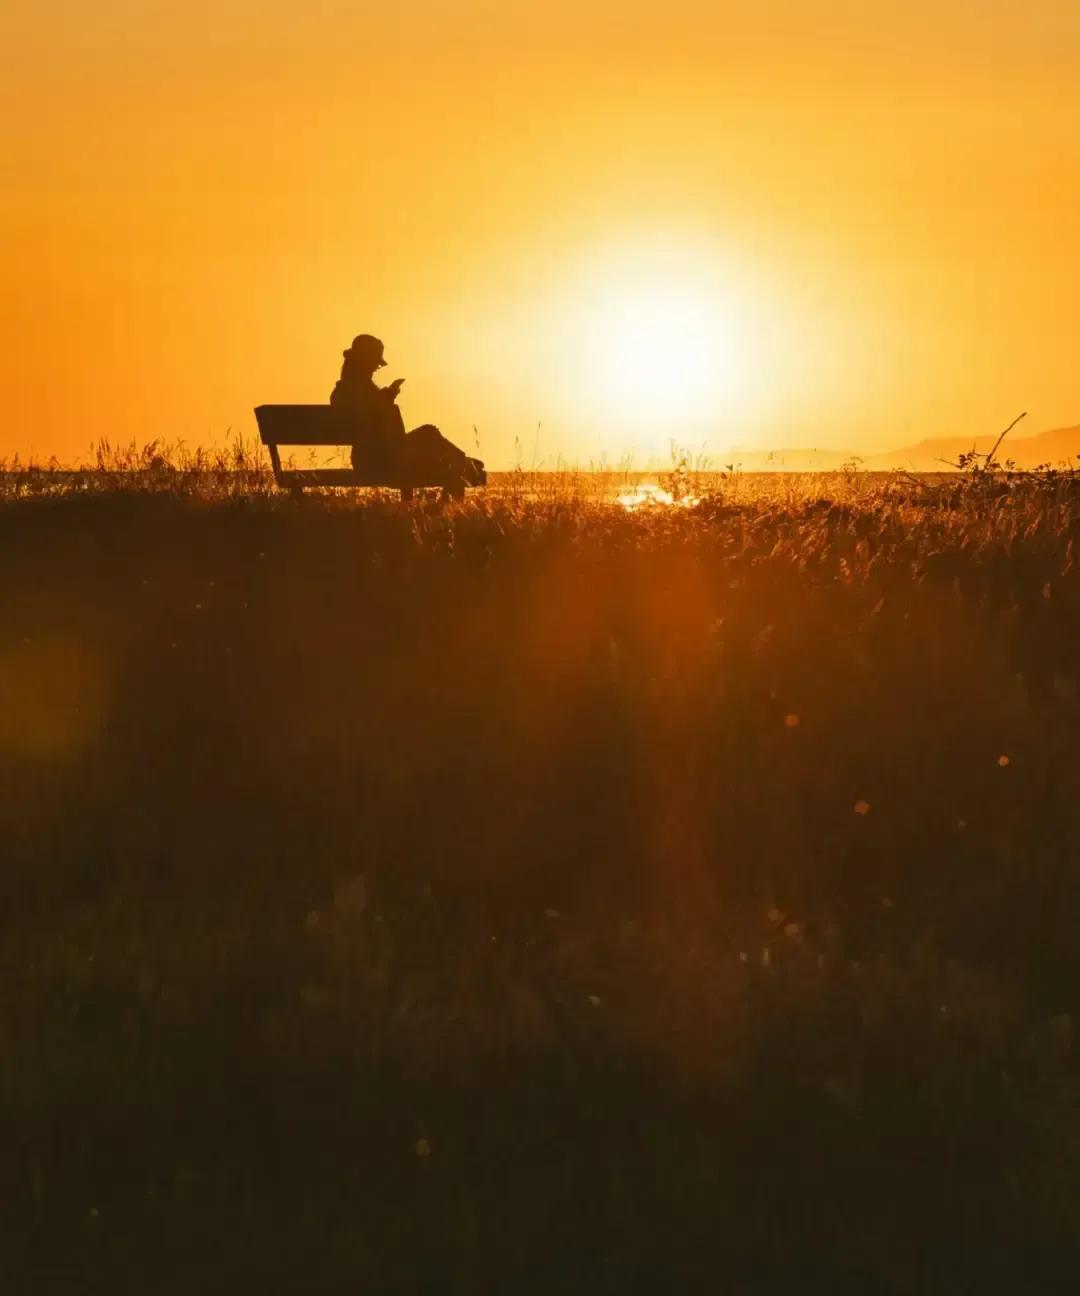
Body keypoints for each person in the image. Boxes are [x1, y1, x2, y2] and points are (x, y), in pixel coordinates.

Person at [329, 334, 483, 496]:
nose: (376, 368)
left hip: (364, 462)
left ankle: (464, 463)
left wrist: (386, 397)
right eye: (375, 363)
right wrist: (388, 398)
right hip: (388, 463)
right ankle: (465, 464)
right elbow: (396, 440)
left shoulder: (339, 393)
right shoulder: (371, 396)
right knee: (429, 433)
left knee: (432, 442)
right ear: (366, 363)